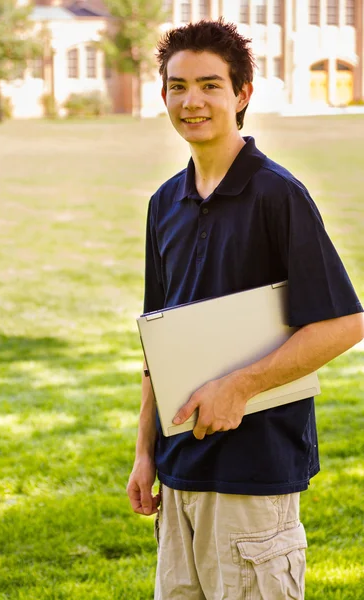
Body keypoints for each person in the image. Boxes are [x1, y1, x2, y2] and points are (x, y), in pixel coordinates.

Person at [126, 18, 364, 600]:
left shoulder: (277, 194)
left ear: (242, 95)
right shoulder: (165, 203)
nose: (192, 101)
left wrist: (241, 385)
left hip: (253, 477)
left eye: (210, 84)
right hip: (179, 471)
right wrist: (144, 450)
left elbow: (344, 322)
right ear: (164, 96)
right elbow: (159, 338)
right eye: (178, 86)